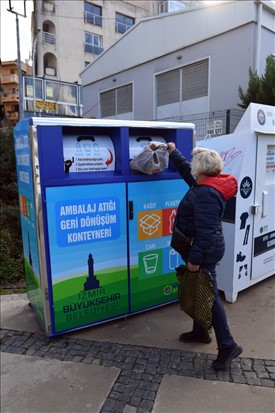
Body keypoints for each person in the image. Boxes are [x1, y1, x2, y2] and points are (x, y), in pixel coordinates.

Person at [167, 143, 242, 370]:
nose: (191, 170)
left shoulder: (205, 193)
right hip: (200, 248)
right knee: (202, 290)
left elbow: (207, 233)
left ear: (200, 170)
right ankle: (201, 331)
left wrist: (195, 259)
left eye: (194, 168)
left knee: (210, 297)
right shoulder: (205, 185)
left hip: (204, 251)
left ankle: (228, 345)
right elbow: (184, 169)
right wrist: (172, 151)